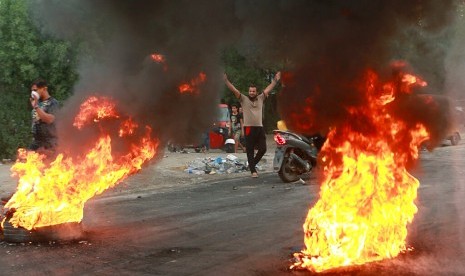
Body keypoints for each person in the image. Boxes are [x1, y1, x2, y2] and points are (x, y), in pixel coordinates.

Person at [224, 71, 281, 177]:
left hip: (259, 128)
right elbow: (234, 90)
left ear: (256, 92)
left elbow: (269, 88)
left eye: (253, 91)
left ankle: (252, 164)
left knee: (263, 149)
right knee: (249, 150)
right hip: (249, 128)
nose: (251, 93)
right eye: (250, 91)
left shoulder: (261, 98)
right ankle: (253, 171)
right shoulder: (243, 99)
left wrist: (276, 80)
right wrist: (226, 81)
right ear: (248, 92)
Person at [29, 79, 60, 154]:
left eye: (35, 90)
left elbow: (50, 119)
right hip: (36, 142)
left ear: (44, 89)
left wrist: (36, 107)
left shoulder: (53, 103)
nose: (33, 93)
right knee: (27, 163)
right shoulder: (37, 102)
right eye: (32, 91)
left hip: (49, 143)